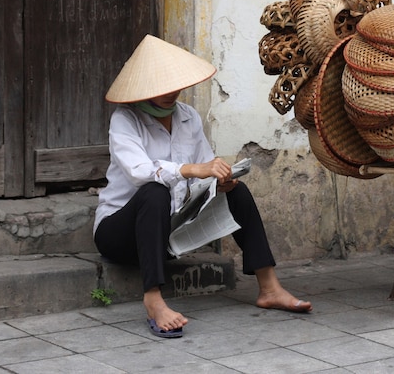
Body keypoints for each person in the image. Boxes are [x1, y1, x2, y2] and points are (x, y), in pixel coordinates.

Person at [94, 34, 312, 338]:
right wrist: (191, 169)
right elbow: (140, 173)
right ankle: (154, 300)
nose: (172, 93)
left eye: (176, 84)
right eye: (162, 86)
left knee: (236, 192)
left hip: (169, 230)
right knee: (154, 191)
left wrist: (219, 179)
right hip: (119, 234)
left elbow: (205, 167)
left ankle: (269, 287)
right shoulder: (125, 120)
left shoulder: (187, 117)